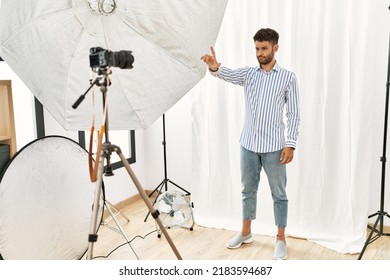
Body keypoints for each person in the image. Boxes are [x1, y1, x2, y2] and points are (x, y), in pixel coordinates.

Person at [200, 28, 300, 260]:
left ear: (275, 47)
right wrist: (214, 66)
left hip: (276, 147)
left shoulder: (288, 77)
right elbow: (227, 74)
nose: (260, 53)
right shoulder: (249, 74)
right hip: (248, 144)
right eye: (257, 48)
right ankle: (246, 233)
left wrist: (291, 144)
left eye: (264, 48)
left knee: (279, 194)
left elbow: (294, 114)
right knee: (247, 190)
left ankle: (280, 238)